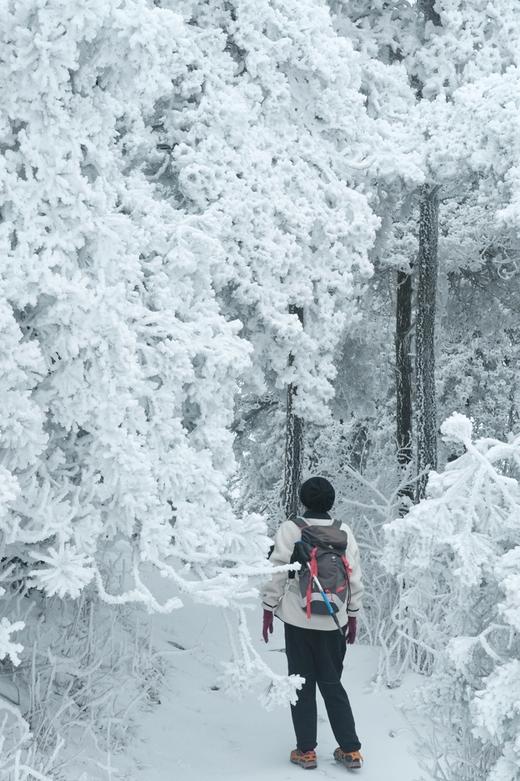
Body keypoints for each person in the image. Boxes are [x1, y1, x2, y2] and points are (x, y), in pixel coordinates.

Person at [262, 476, 364, 771]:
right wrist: (352, 615)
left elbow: (278, 571)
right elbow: (354, 577)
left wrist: (269, 608)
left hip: (298, 620)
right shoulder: (344, 530)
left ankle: (306, 751)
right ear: (332, 502)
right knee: (332, 684)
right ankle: (351, 750)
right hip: (334, 620)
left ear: (303, 500)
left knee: (301, 683)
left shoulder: (291, 528)